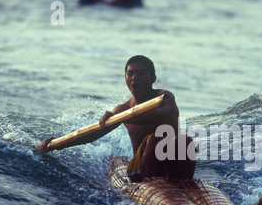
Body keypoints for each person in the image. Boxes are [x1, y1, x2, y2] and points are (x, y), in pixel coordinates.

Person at [39, 55, 196, 182]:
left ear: (153, 78)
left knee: (184, 140)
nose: (135, 77)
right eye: (130, 73)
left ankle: (185, 187)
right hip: (141, 172)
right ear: (125, 78)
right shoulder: (122, 110)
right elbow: (94, 134)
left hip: (173, 167)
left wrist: (121, 118)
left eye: (141, 73)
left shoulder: (164, 97)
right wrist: (55, 146)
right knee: (155, 140)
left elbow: (158, 113)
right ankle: (152, 187)